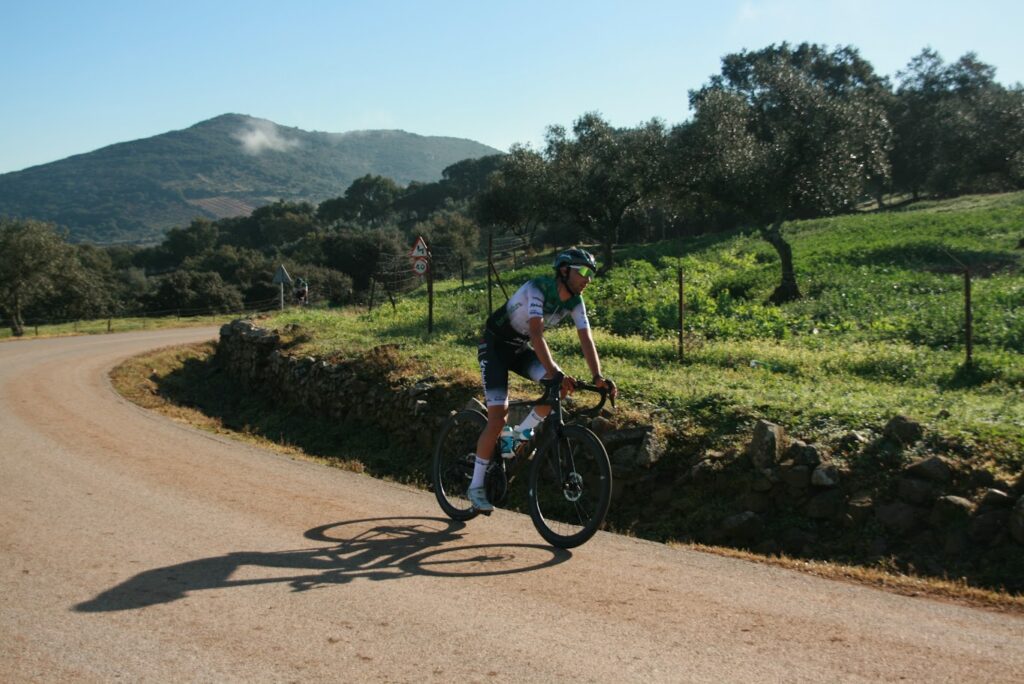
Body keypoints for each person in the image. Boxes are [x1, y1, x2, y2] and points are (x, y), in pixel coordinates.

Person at [467, 247, 616, 513]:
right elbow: (537, 335)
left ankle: (514, 441)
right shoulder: (537, 288)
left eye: (591, 274)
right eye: (582, 271)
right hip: (494, 346)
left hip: (519, 349)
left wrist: (598, 376)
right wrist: (555, 369)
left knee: (557, 389)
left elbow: (586, 339)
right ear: (564, 270)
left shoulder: (575, 301)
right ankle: (476, 486)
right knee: (498, 416)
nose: (588, 279)